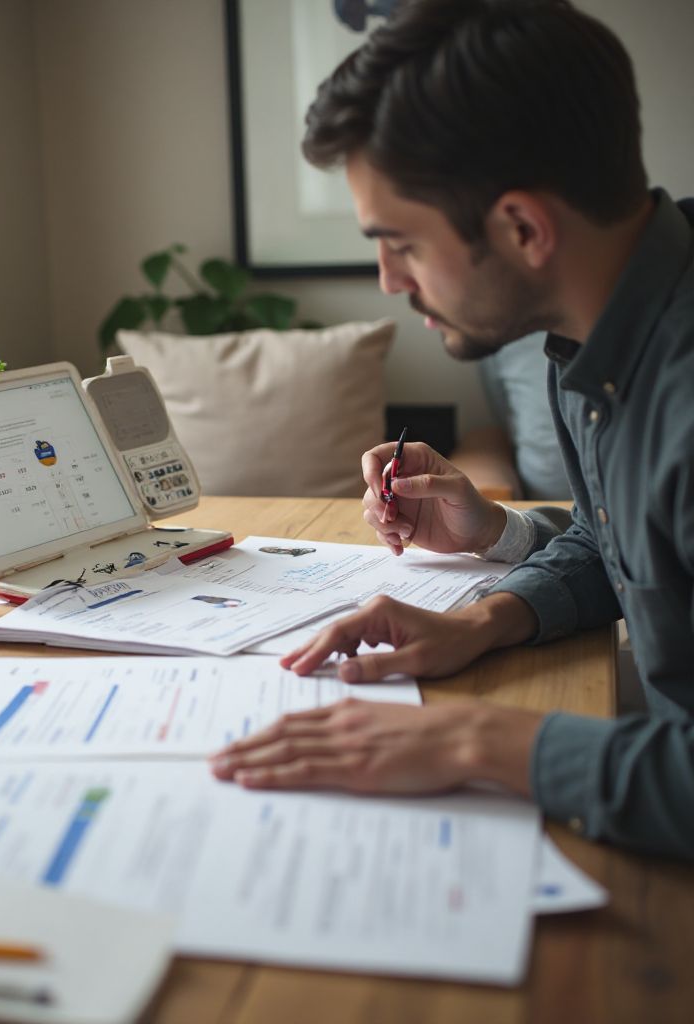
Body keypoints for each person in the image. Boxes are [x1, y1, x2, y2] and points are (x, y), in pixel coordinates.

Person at [211, 0, 694, 859]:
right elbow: (621, 547)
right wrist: (484, 613)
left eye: (400, 243)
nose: (389, 281)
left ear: (521, 227)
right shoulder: (589, 333)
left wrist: (475, 742)